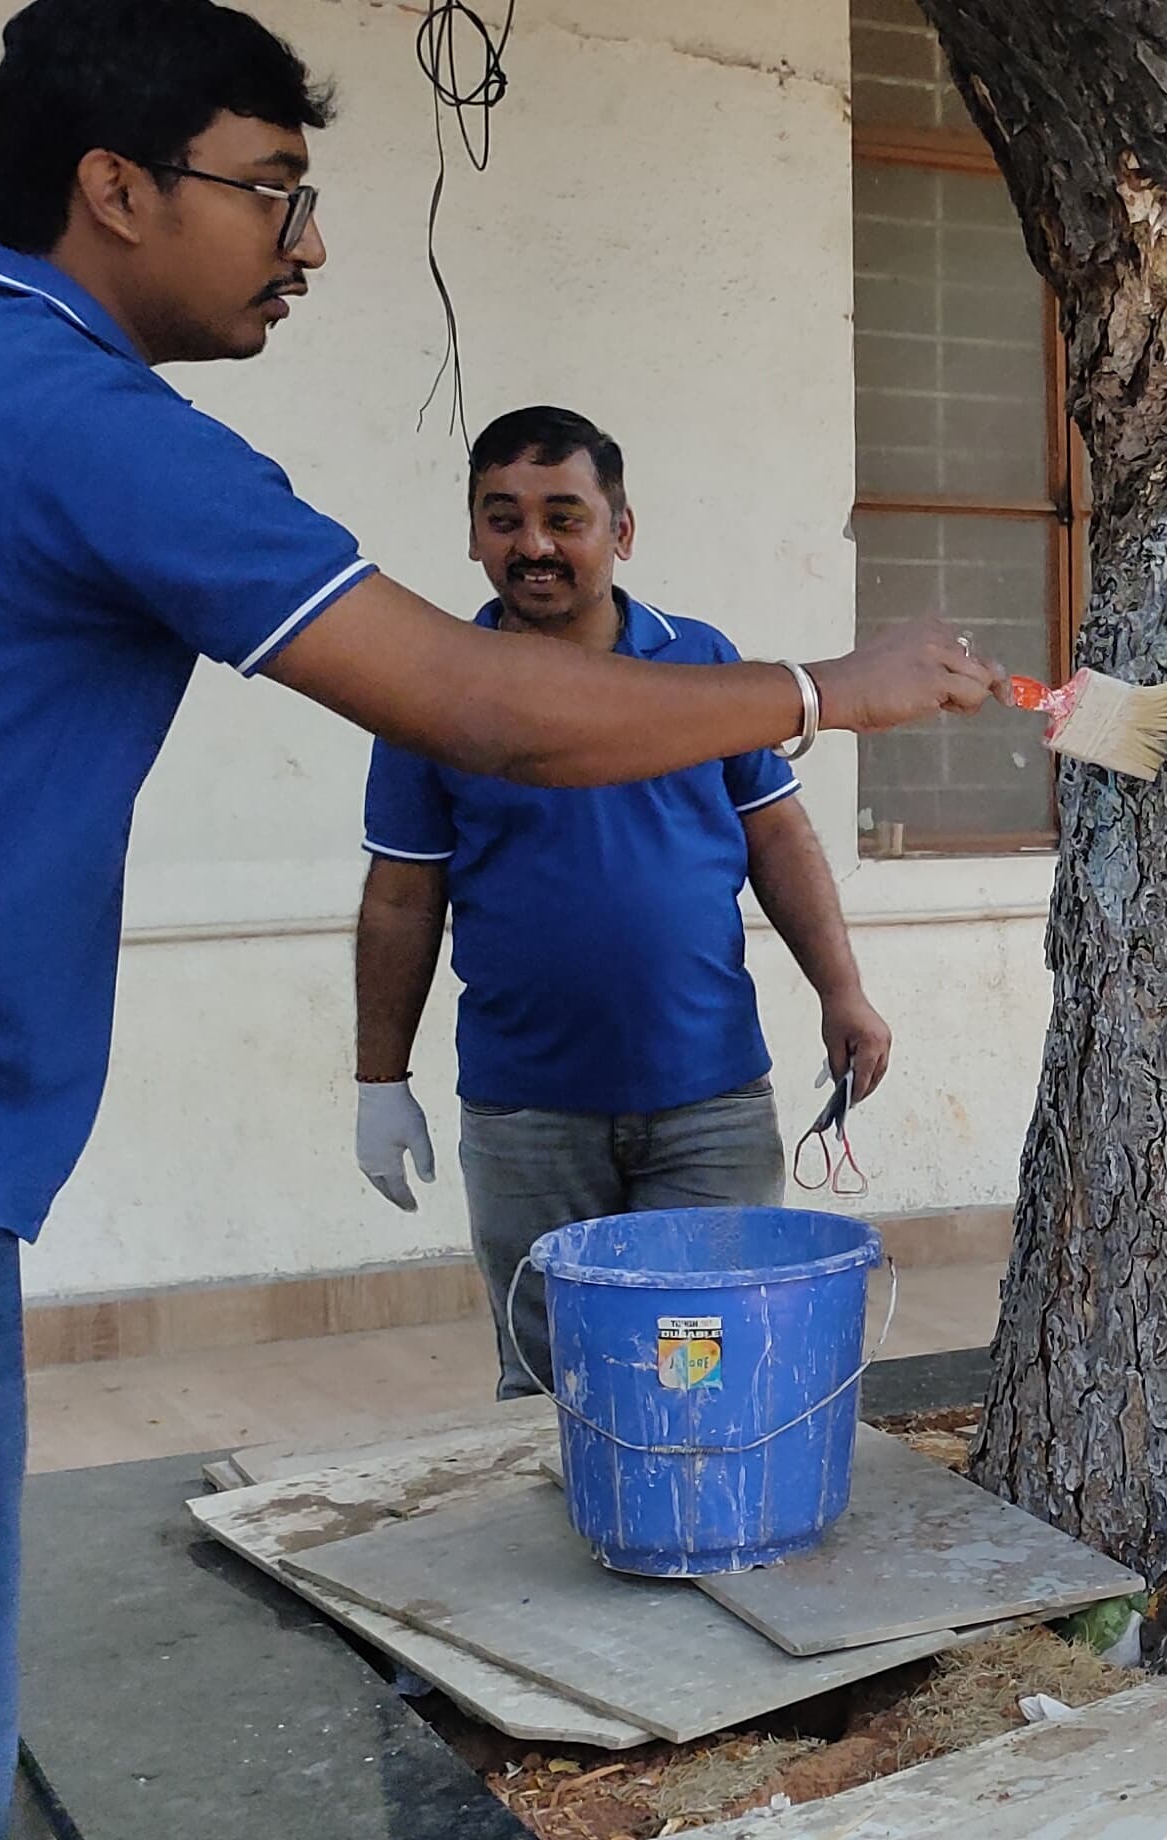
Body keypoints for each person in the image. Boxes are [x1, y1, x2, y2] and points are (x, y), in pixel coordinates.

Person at [0, 4, 1004, 1834]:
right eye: (273, 195)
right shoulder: (100, 432)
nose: (305, 249)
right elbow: (477, 707)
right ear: (115, 190)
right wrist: (826, 686)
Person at [353, 407, 891, 1398]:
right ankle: (560, 1552)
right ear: (473, 535)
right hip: (526, 1114)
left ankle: (702, 1545)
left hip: (709, 1102)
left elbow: (777, 835)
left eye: (566, 516)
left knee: (707, 1369)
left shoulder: (702, 664)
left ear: (622, 530)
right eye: (503, 519)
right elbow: (399, 897)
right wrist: (377, 1079)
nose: (535, 545)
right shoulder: (429, 698)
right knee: (550, 1377)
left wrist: (842, 992)